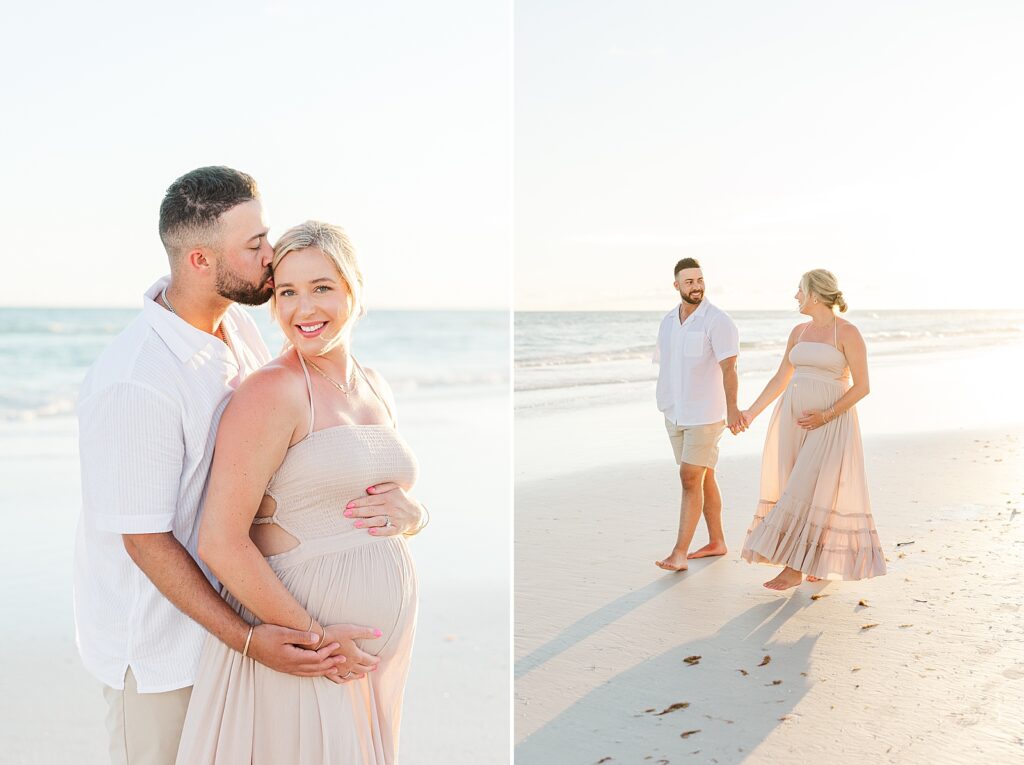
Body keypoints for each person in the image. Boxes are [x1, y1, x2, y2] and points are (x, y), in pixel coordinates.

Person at [74, 167, 362, 765]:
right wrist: (253, 640)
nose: (271, 254)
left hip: (229, 637)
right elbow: (146, 541)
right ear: (202, 260)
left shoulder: (237, 328)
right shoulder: (138, 380)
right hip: (162, 658)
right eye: (254, 245)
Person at [175, 221, 428, 764]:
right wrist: (315, 640)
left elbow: (376, 499)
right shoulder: (272, 391)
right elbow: (221, 540)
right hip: (307, 651)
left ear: (354, 289)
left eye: (321, 287)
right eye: (287, 291)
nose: (303, 309)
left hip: (363, 658)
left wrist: (416, 515)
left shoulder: (373, 384)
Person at [739, 269, 886, 590]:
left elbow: (862, 386)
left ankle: (794, 568)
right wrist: (751, 412)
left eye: (799, 290)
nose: (795, 296)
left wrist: (826, 415)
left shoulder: (847, 333)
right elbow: (780, 378)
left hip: (831, 423)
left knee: (806, 488)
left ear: (815, 294)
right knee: (801, 485)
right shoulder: (799, 332)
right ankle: (815, 561)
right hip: (792, 420)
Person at [653, 258, 743, 572]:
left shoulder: (717, 321)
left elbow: (729, 367)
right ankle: (717, 541)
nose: (697, 286)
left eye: (700, 280)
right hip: (675, 412)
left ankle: (679, 553)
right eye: (689, 281)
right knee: (703, 477)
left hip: (705, 413)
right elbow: (667, 365)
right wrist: (663, 401)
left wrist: (733, 409)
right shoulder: (668, 321)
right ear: (676, 285)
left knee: (689, 477)